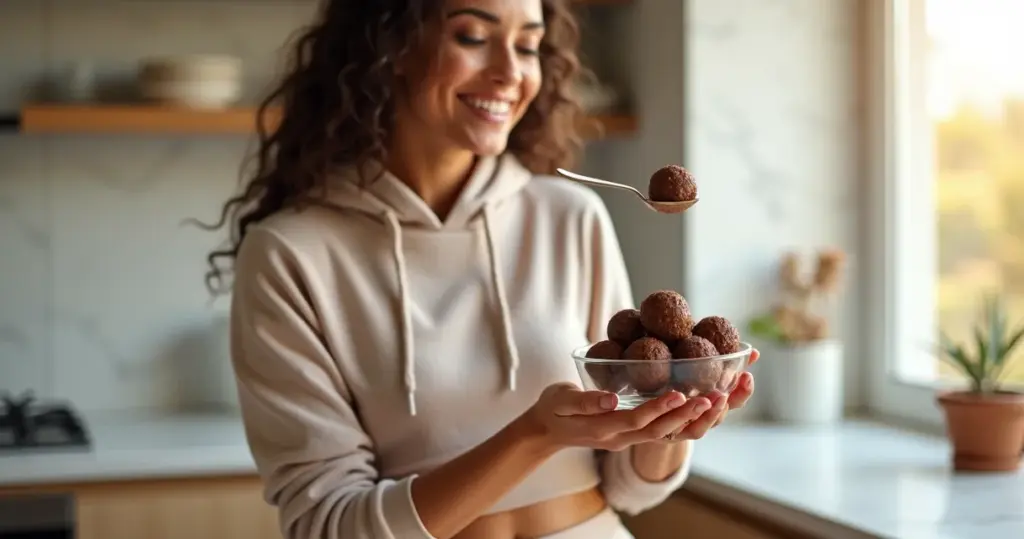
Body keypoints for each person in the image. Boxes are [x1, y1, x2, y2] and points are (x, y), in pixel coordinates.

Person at [202, 1, 759, 538]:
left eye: (528, 46)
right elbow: (327, 526)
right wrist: (533, 435)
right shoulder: (290, 254)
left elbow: (631, 489)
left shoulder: (570, 215)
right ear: (388, 46)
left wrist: (670, 422)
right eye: (472, 37)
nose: (509, 73)